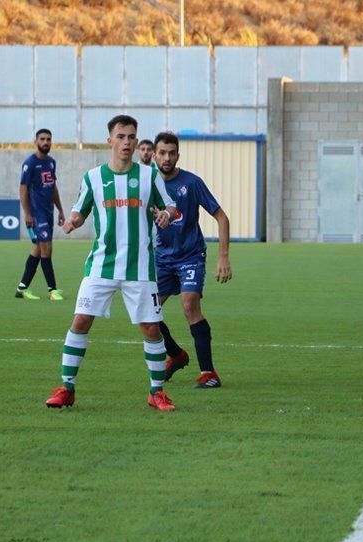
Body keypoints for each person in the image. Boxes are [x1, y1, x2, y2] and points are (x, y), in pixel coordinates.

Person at [44, 115, 180, 411]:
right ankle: (67, 388)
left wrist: (167, 215)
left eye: (132, 136)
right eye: (121, 136)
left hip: (141, 269)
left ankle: (156, 392)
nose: (127, 142)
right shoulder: (93, 178)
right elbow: (80, 211)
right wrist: (73, 222)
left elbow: (171, 205)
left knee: (152, 330)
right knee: (80, 322)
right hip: (100, 267)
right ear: (110, 140)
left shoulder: (149, 175)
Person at [152, 132, 233, 389]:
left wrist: (223, 257)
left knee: (189, 305)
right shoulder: (147, 183)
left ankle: (209, 373)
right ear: (154, 155)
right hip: (161, 258)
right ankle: (176, 354)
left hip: (190, 256)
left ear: (178, 155)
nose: (167, 158)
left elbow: (222, 217)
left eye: (171, 153)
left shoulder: (192, 182)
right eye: (162, 153)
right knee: (148, 313)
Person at [15, 128, 65, 300]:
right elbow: (23, 189)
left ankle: (22, 289)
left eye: (48, 139)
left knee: (38, 248)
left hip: (48, 212)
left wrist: (60, 210)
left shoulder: (51, 162)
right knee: (46, 249)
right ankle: (52, 290)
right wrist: (27, 213)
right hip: (37, 213)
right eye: (42, 139)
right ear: (35, 141)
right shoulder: (30, 163)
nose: (46, 142)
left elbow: (53, 188)